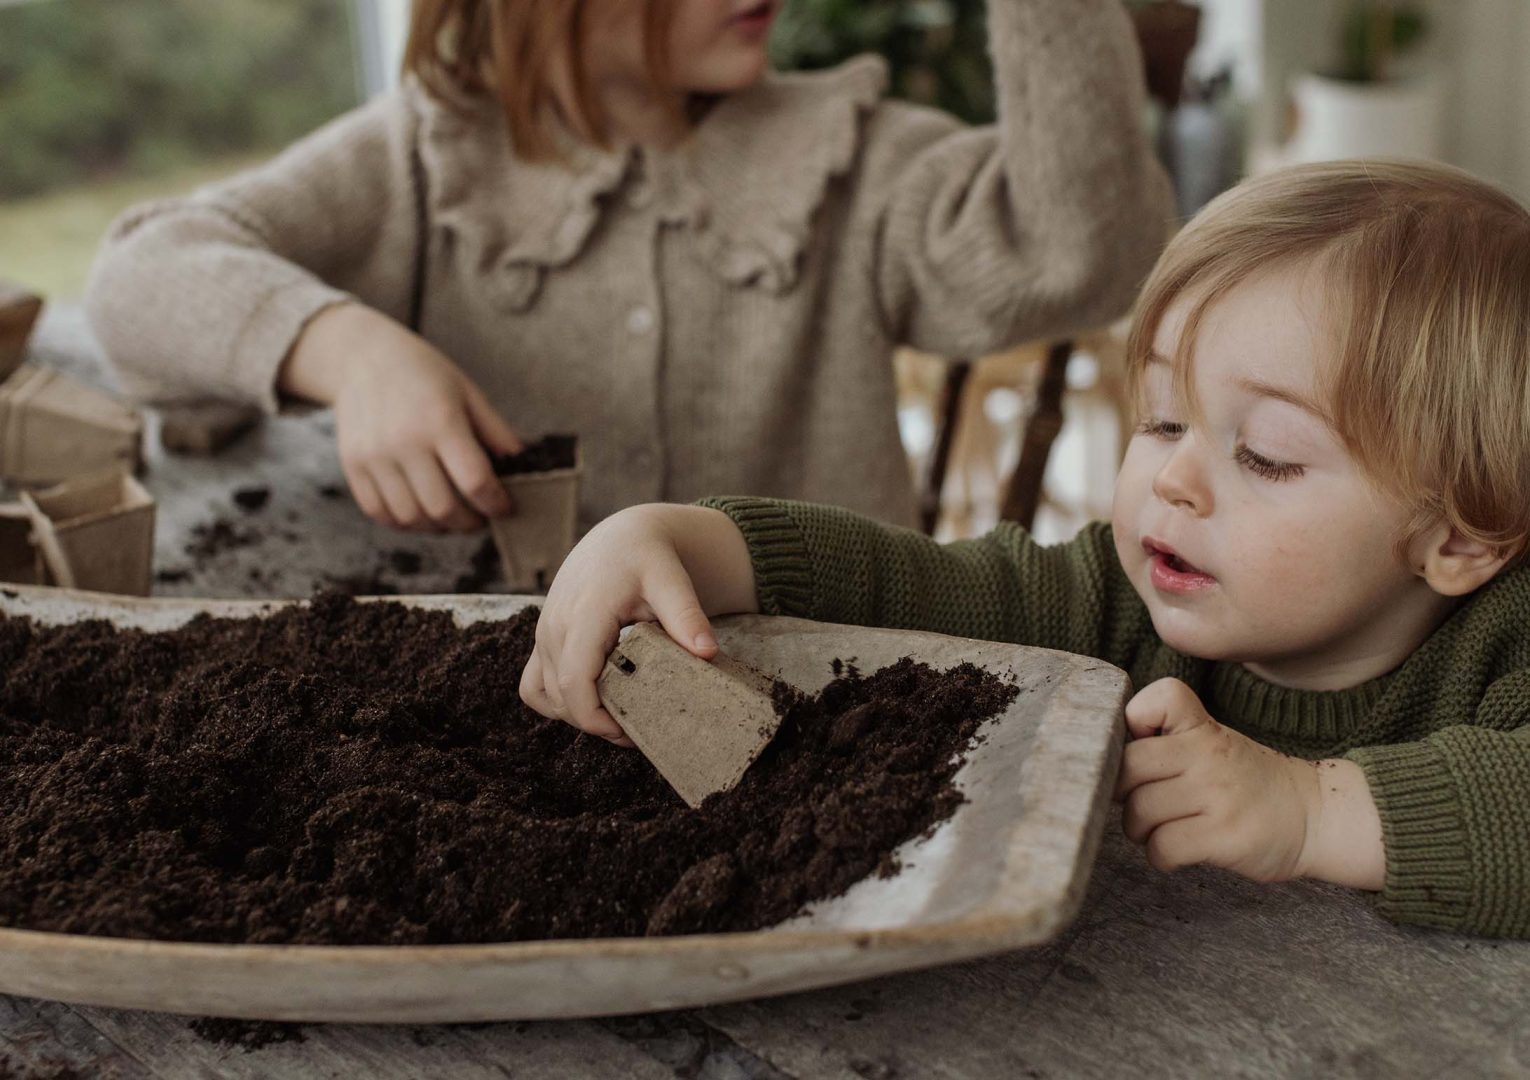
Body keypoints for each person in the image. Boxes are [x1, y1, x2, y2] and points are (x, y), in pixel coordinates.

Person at [521, 160, 1530, 938]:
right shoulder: (1111, 598)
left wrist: (1307, 813)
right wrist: (684, 540)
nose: (1176, 480)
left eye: (1264, 456)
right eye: (1165, 421)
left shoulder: (1502, 649)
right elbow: (919, 585)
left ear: (1456, 539)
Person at [84, 0, 1172, 534]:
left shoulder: (857, 158)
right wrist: (350, 353)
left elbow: (1089, 251)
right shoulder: (424, 156)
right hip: (496, 742)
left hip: (840, 734)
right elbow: (142, 276)